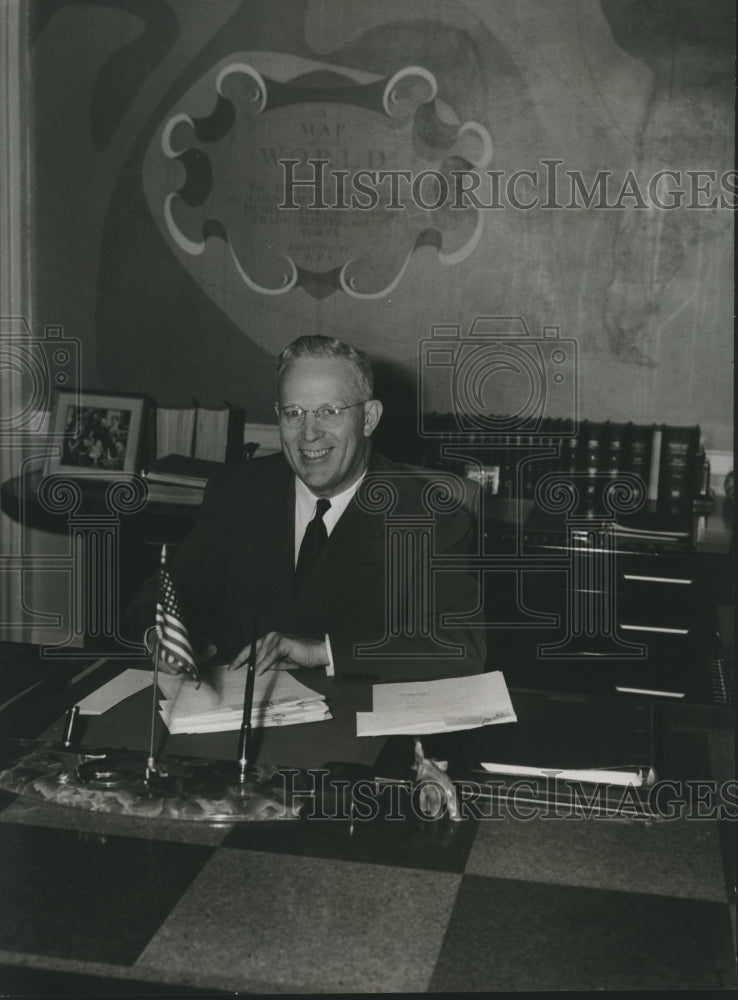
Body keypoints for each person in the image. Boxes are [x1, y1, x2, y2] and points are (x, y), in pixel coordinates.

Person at [129, 336, 485, 682]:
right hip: (233, 719)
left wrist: (324, 652)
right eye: (293, 413)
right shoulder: (237, 492)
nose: (308, 434)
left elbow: (460, 648)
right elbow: (168, 591)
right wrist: (160, 637)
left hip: (352, 726)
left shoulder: (428, 516)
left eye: (329, 412)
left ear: (369, 418)